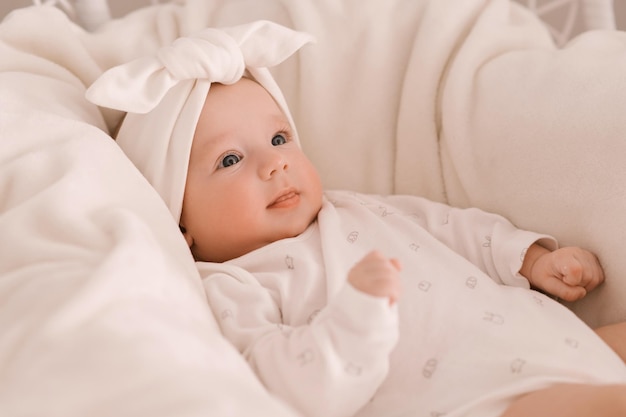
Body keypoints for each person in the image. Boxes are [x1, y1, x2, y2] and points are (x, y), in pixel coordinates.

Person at [87, 21, 626, 417]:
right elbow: (287, 384)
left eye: (279, 139)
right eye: (230, 160)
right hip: (479, 399)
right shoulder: (235, 284)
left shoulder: (354, 207)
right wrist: (354, 320)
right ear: (184, 228)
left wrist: (533, 259)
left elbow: (455, 229)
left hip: (546, 337)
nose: (275, 161)